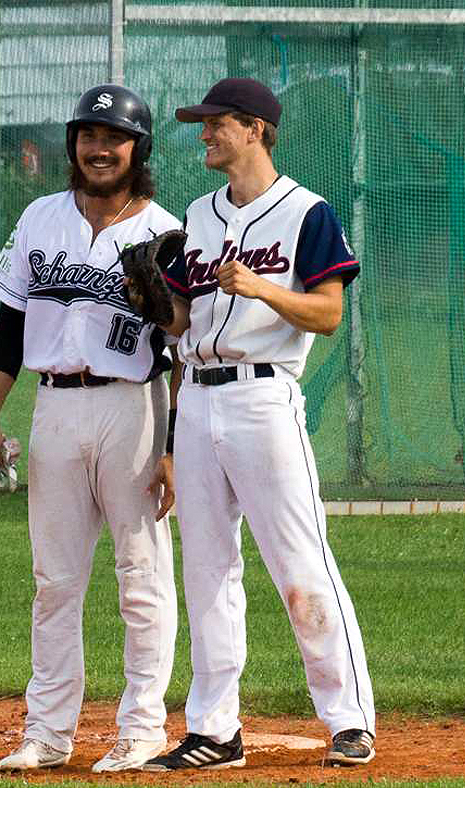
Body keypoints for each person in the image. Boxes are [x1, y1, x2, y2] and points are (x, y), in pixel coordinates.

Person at [142, 78, 376, 772]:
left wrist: (265, 287)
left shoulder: (308, 212)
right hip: (201, 400)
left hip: (265, 399)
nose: (203, 134)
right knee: (208, 571)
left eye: (215, 124)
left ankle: (349, 720)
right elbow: (181, 326)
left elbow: (328, 314)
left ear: (254, 129)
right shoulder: (198, 214)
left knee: (302, 567)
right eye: (202, 125)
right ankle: (215, 730)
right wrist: (153, 300)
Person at [0, 84, 179, 773]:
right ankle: (47, 731)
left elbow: (184, 348)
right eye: (89, 135)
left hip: (133, 408)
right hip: (55, 407)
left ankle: (143, 727)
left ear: (137, 149)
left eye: (114, 137)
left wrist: (173, 448)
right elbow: (9, 324)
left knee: (141, 574)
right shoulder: (40, 217)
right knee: (54, 580)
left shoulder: (167, 232)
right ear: (73, 145)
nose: (99, 148)